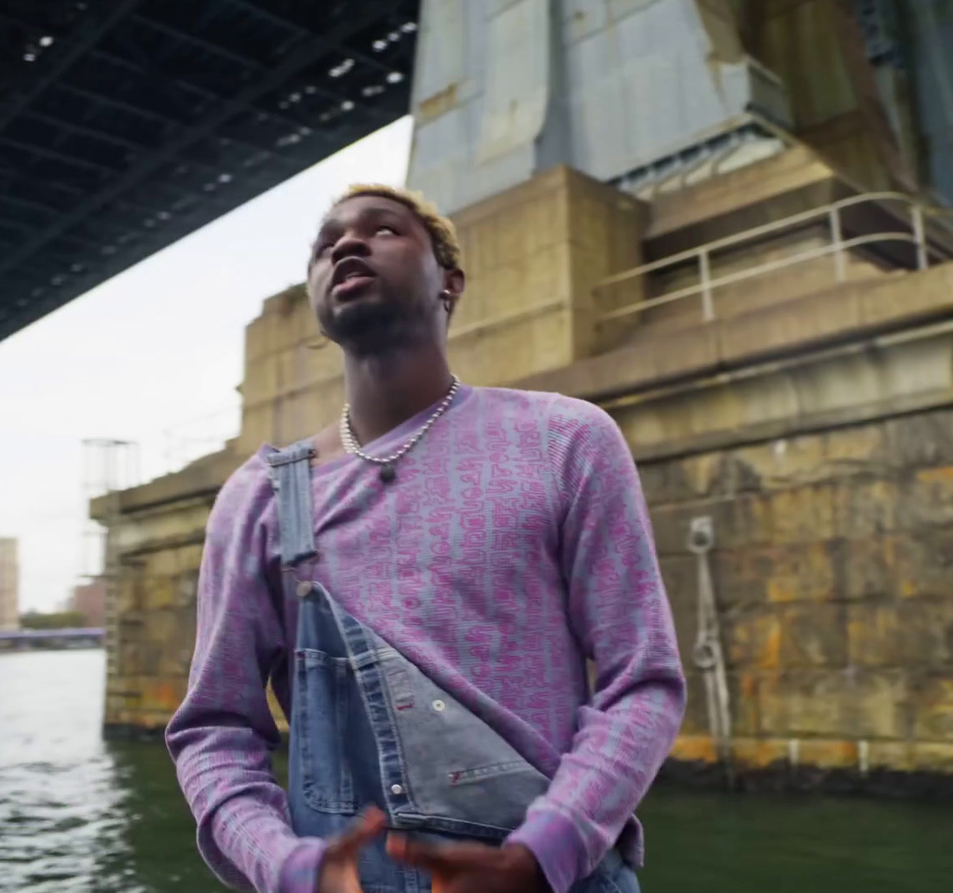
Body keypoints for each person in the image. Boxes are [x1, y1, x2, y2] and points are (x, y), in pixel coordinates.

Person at [166, 183, 686, 893]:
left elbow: (643, 680)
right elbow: (214, 729)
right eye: (326, 244)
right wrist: (287, 867)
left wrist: (542, 854)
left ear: (451, 282)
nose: (346, 244)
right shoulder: (256, 499)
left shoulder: (566, 440)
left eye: (383, 230)